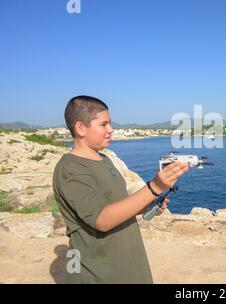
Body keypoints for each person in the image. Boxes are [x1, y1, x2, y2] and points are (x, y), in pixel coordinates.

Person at [53, 95, 189, 283]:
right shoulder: (70, 169)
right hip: (100, 274)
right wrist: (155, 187)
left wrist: (147, 206)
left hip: (129, 269)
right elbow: (102, 219)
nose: (111, 129)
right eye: (104, 124)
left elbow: (117, 207)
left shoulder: (104, 159)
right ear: (81, 128)